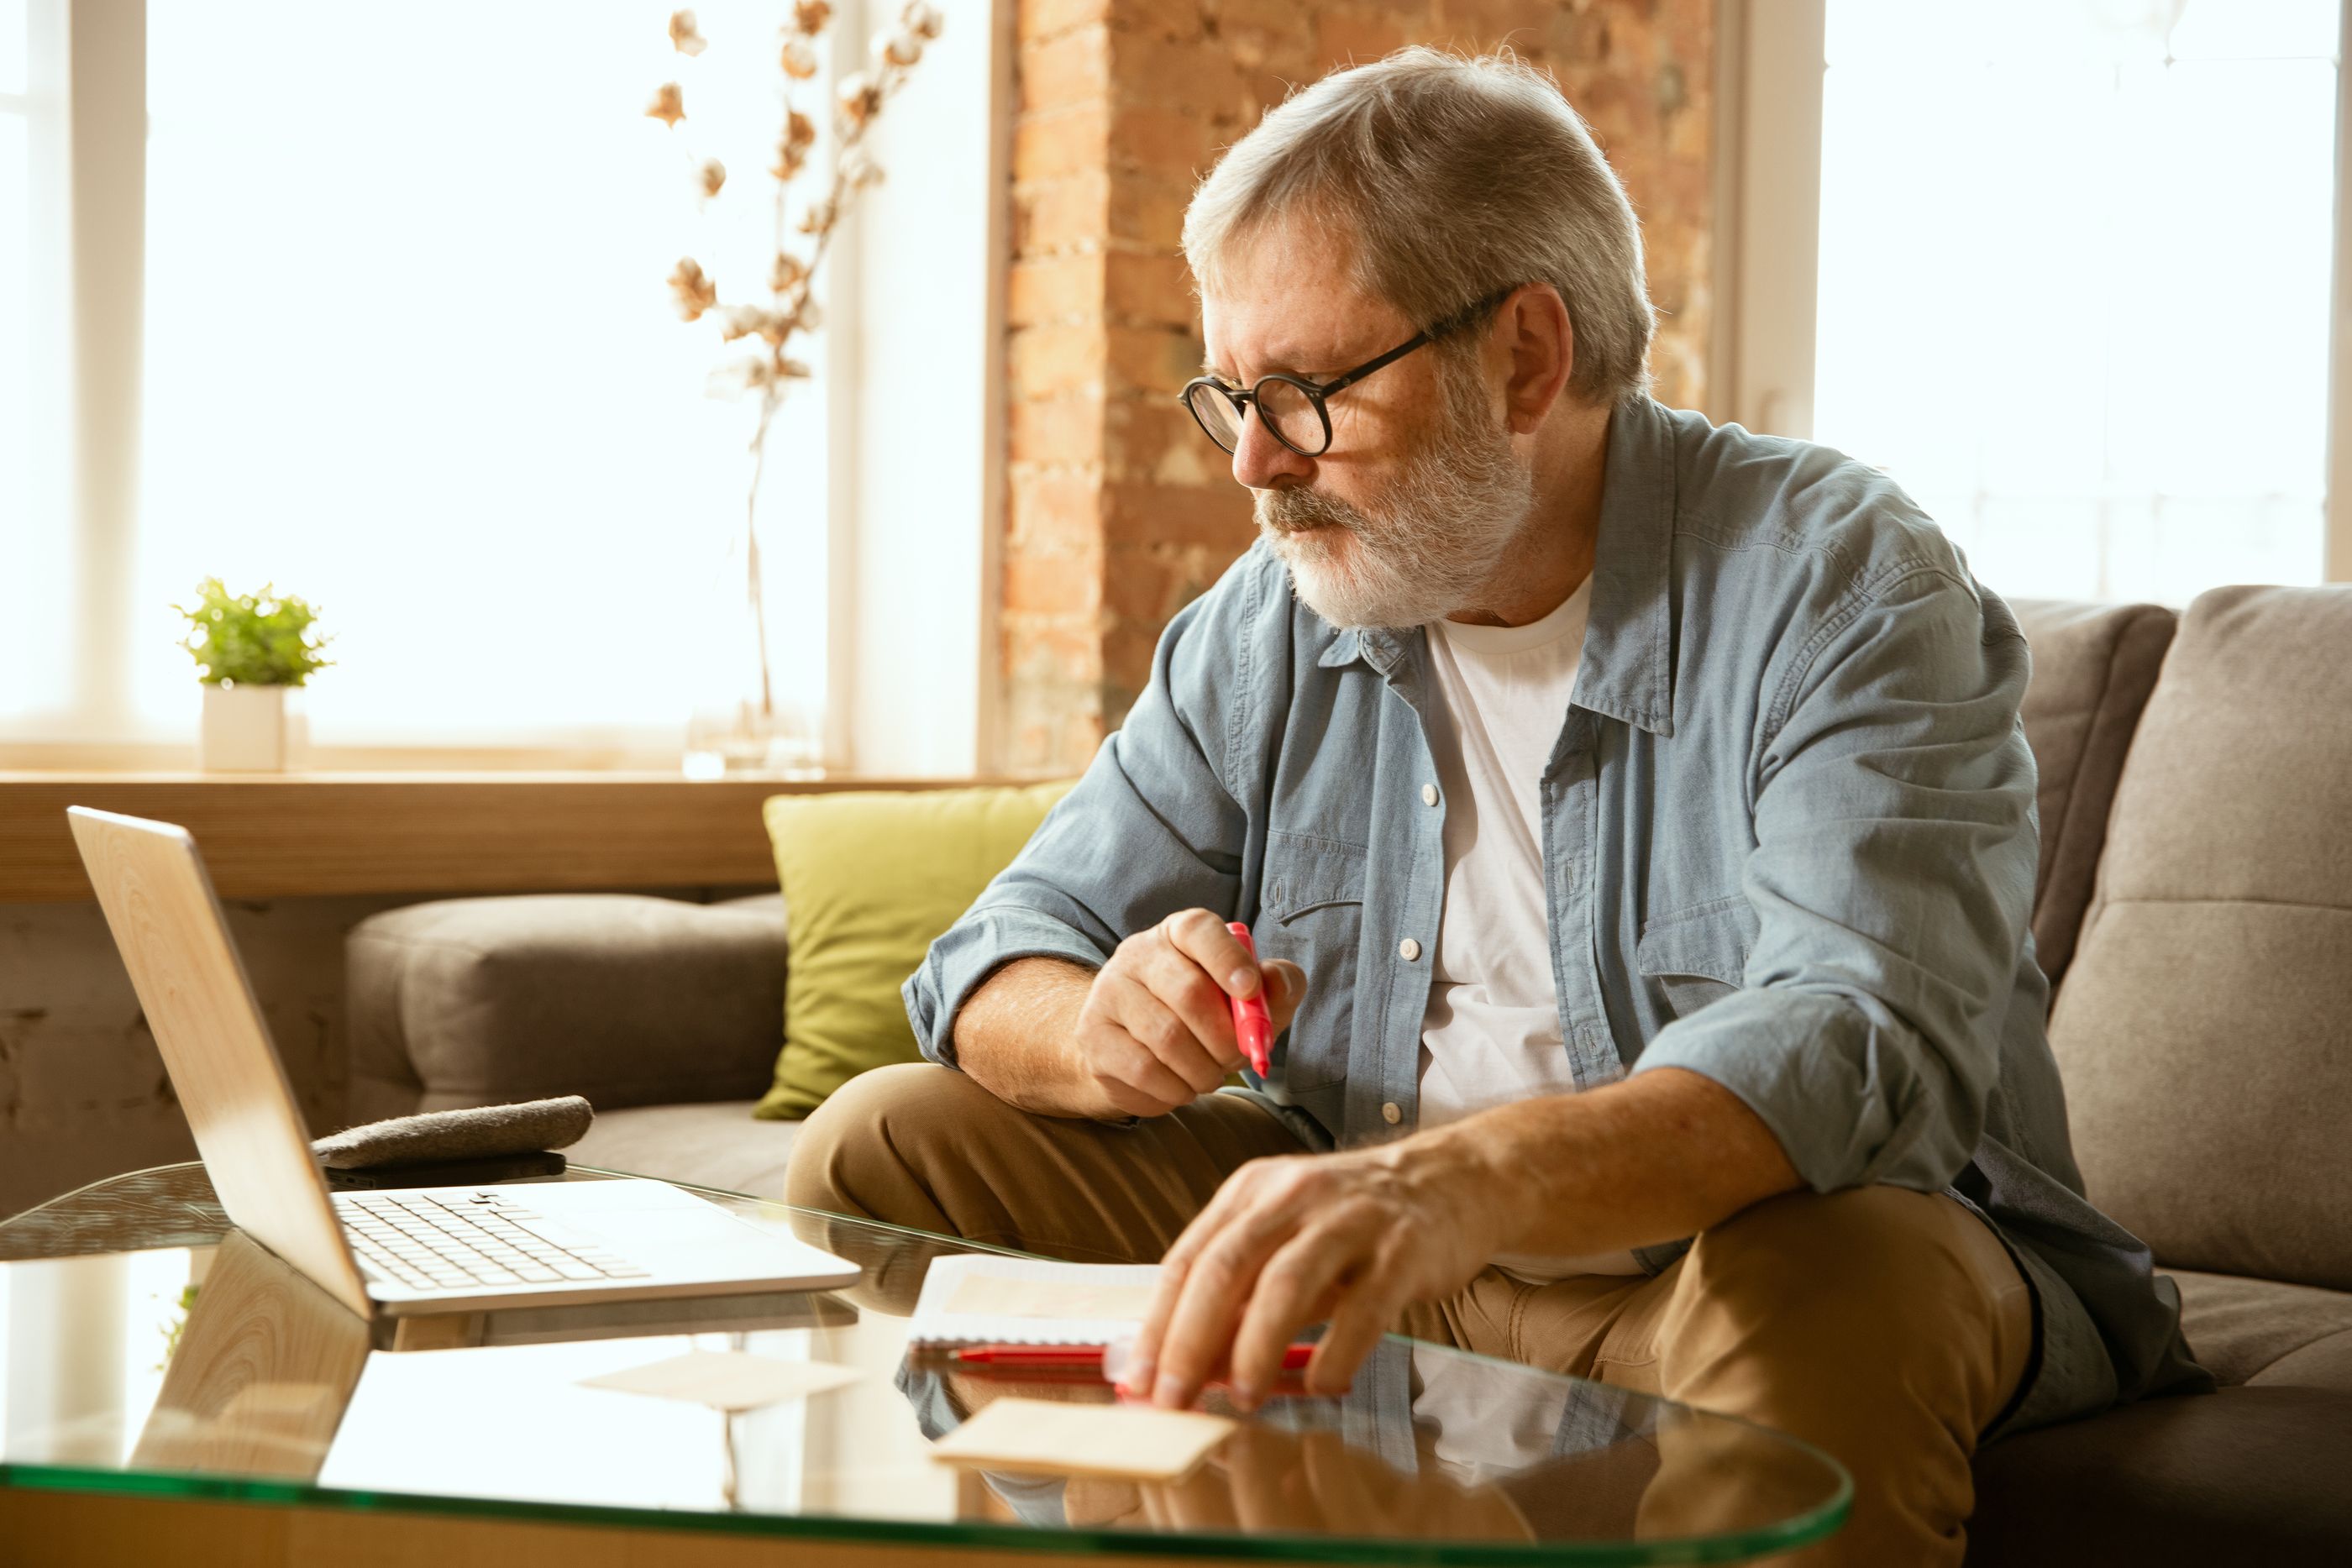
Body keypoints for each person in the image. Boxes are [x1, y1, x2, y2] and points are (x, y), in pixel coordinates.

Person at [787, 45, 2209, 1566]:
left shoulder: (1840, 580)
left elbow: (1864, 1034)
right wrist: (1094, 1026)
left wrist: (1461, 1181)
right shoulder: (1275, 616)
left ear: (1527, 357)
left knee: (1827, 1286)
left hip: (1718, 1275)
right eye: (1232, 397)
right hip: (1383, 1245)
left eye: (1307, 394)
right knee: (888, 1146)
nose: (1255, 463)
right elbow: (996, 952)